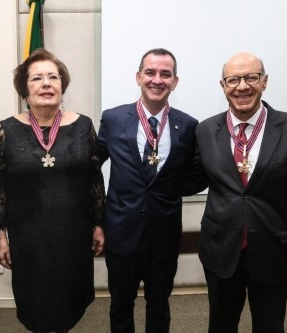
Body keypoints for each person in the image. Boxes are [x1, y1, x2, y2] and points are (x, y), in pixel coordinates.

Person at [183, 52, 287, 333]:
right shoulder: (206, 130)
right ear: (223, 86)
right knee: (220, 326)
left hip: (274, 254)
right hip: (220, 252)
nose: (242, 86)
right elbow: (193, 180)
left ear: (264, 82)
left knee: (270, 326)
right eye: (233, 79)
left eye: (251, 77)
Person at [0, 48, 105, 333]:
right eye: (37, 78)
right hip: (28, 236)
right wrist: (1, 234)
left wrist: (99, 225)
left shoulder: (83, 126)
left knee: (69, 302)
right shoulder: (6, 130)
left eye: (53, 77)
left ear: (62, 85)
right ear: (24, 88)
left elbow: (95, 179)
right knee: (36, 304)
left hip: (74, 234)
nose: (46, 83)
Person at [97, 48, 198, 333]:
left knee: (159, 306)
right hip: (121, 232)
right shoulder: (114, 118)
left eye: (165, 74)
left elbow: (197, 173)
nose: (157, 80)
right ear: (138, 77)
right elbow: (92, 166)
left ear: (175, 81)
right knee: (119, 306)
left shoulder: (188, 125)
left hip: (163, 235)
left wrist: (169, 193)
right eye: (150, 72)